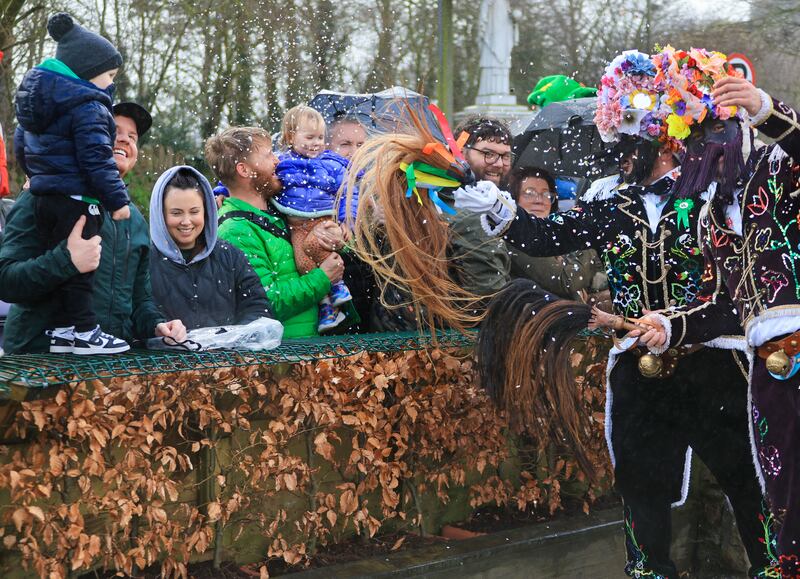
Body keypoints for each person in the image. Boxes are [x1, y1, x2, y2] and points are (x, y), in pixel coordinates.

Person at [454, 50, 773, 578]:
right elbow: (545, 236)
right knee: (640, 486)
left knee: (746, 480)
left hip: (712, 364)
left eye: (631, 141)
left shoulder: (717, 199)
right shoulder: (613, 205)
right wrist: (497, 207)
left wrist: (677, 326)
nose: (619, 153)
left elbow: (735, 291)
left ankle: (772, 569)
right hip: (638, 369)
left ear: (665, 141)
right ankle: (647, 571)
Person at [631, 46, 800, 578]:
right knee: (784, 488)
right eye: (688, 146)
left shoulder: (779, 170)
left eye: (706, 140)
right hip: (768, 372)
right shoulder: (710, 218)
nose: (695, 156)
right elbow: (726, 305)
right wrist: (670, 325)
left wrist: (764, 107)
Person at [0, 99, 186, 354]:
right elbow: (6, 281)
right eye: (113, 131)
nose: (125, 140)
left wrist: (158, 326)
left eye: (132, 136)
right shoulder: (42, 195)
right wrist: (66, 260)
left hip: (109, 367)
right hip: (38, 363)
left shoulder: (136, 221)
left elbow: (140, 302)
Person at [14, 12, 131, 354]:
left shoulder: (39, 108)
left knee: (65, 256)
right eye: (109, 75)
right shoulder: (89, 107)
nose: (111, 84)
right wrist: (117, 201)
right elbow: (97, 159)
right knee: (84, 264)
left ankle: (64, 328)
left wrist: (36, 177)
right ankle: (84, 331)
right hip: (79, 196)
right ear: (88, 70)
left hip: (48, 195)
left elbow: (21, 145)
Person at [204, 126, 345, 339]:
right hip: (284, 357)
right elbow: (265, 301)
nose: (277, 161)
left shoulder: (280, 211)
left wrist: (335, 237)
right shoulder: (236, 230)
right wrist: (323, 278)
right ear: (244, 170)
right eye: (269, 155)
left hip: (310, 350)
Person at [149, 166, 270, 330]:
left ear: (206, 212)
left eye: (194, 212)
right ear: (160, 214)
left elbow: (257, 306)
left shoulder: (230, 255)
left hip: (226, 355)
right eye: (176, 213)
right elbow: (140, 313)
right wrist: (158, 329)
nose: (186, 221)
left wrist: (234, 337)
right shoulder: (145, 260)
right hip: (166, 354)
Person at [273, 105, 354, 332]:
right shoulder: (281, 162)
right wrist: (221, 192)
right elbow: (253, 174)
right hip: (296, 224)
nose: (316, 143)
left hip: (322, 219)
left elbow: (348, 191)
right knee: (302, 263)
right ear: (290, 136)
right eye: (309, 137)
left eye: (320, 137)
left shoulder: (330, 164)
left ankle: (338, 285)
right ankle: (326, 307)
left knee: (313, 245)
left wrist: (347, 219)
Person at [507, 165, 606, 300]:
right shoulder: (519, 235)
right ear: (515, 199)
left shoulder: (555, 235)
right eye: (529, 193)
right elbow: (567, 281)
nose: (539, 200)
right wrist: (591, 238)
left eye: (546, 194)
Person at [444, 116, 513, 298]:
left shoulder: (453, 195)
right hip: (457, 325)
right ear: (460, 153)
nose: (498, 164)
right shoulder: (474, 214)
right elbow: (490, 296)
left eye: (505, 156)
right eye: (488, 154)